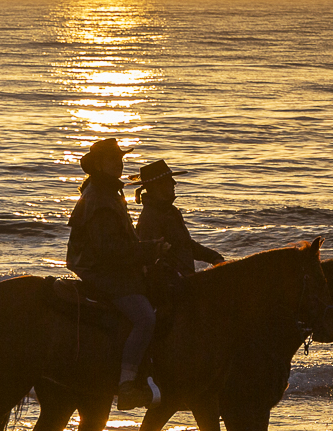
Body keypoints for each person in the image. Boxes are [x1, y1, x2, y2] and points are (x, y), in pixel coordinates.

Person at [65, 137, 158, 410]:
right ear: (99, 165)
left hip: (102, 266)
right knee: (144, 318)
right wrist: (148, 250)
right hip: (100, 270)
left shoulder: (105, 191)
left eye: (120, 160)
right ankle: (127, 383)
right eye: (113, 160)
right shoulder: (100, 198)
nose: (119, 164)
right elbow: (108, 249)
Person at [135, 158, 223, 300]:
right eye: (170, 180)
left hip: (184, 279)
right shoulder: (150, 217)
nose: (174, 184)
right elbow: (151, 260)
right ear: (157, 186)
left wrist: (214, 257)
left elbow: (186, 244)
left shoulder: (171, 211)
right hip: (172, 287)